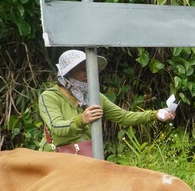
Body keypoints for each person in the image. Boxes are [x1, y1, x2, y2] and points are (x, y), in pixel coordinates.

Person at [39, 49, 175, 153]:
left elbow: (124, 117)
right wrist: (81, 120)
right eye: (81, 70)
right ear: (67, 74)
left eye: (89, 69)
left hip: (85, 155)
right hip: (57, 158)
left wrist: (155, 114)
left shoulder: (94, 97)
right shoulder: (50, 97)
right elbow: (56, 127)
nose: (88, 73)